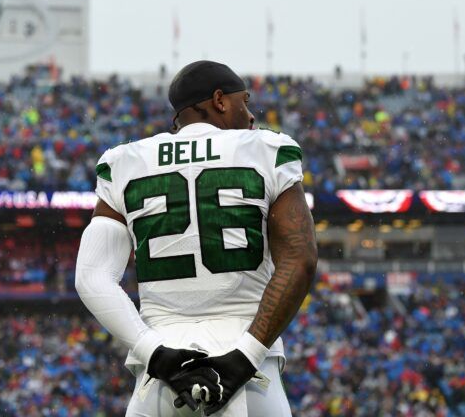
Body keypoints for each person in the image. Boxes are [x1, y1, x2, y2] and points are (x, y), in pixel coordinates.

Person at [75, 60, 317, 416]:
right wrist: (246, 356)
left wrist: (154, 352)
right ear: (219, 100)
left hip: (160, 374)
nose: (250, 115)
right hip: (248, 371)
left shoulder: (125, 161)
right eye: (243, 101)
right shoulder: (266, 150)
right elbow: (301, 258)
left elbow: (91, 276)